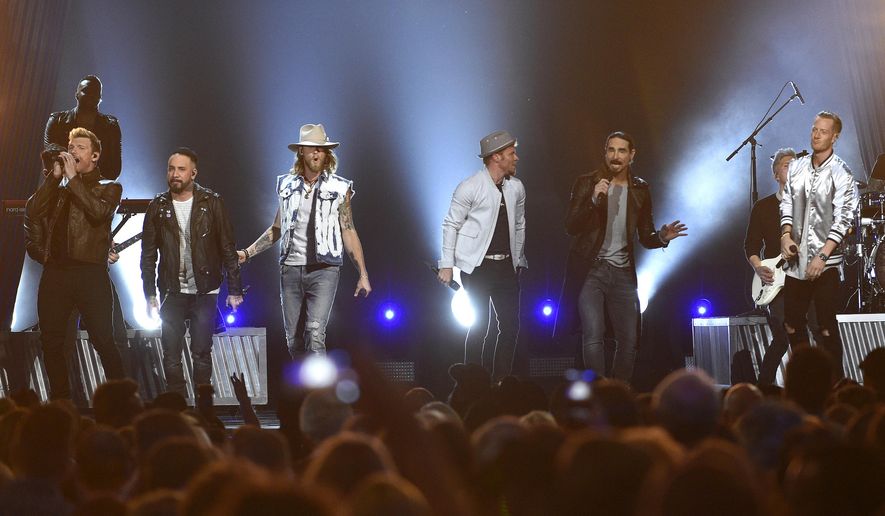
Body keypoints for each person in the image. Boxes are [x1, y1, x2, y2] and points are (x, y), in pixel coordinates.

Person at [555, 131, 686, 383]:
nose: (615, 156)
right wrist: (593, 200)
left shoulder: (640, 189)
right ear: (605, 153)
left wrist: (661, 237)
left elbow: (645, 235)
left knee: (629, 339)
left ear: (631, 155)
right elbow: (571, 226)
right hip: (591, 269)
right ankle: (600, 390)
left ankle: (620, 391)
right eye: (611, 150)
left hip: (623, 272)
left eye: (621, 151)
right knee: (593, 333)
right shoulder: (587, 182)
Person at [238, 124, 371, 358]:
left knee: (315, 332)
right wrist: (247, 253)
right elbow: (277, 228)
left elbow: (348, 230)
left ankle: (318, 393)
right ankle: (303, 392)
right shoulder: (286, 185)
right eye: (312, 149)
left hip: (324, 270)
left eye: (321, 149)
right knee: (294, 339)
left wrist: (363, 275)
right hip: (290, 269)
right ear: (301, 151)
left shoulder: (339, 187)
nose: (317, 153)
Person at [24, 128, 125, 400]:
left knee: (103, 340)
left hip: (90, 274)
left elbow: (98, 212)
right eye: (71, 146)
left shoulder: (109, 188)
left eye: (80, 147)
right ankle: (61, 401)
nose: (72, 151)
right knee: (52, 341)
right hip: (56, 273)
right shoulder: (59, 189)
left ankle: (122, 399)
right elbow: (33, 211)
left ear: (94, 155)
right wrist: (53, 180)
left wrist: (72, 181)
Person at [140, 147, 243, 396]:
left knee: (201, 351)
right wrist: (149, 293)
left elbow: (227, 247)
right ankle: (177, 406)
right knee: (171, 352)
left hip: (205, 289)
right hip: (172, 290)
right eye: (171, 168)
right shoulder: (158, 205)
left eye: (181, 169)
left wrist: (235, 289)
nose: (175, 174)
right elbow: (148, 254)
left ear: (193, 173)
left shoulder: (212, 202)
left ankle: (203, 404)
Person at [437, 130, 527, 380]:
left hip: (506, 267)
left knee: (510, 327)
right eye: (511, 154)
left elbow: (519, 224)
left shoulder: (516, 188)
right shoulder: (470, 187)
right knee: (479, 328)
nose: (516, 158)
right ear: (496, 157)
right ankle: (473, 382)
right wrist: (446, 264)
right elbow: (450, 224)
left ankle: (501, 381)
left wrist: (518, 258)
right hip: (477, 267)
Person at [780, 111, 859, 378]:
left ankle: (835, 382)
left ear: (834, 137)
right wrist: (785, 234)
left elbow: (844, 218)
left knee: (825, 327)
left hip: (826, 264)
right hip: (796, 261)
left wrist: (823, 256)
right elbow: (787, 202)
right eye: (814, 129)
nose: (816, 134)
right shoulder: (798, 166)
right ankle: (805, 378)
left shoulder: (842, 172)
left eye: (823, 131)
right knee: (791, 324)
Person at [44, 75, 122, 180]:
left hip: (96, 189)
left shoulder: (110, 126)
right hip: (62, 188)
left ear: (100, 98)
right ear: (77, 95)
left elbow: (114, 169)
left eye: (95, 92)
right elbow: (51, 160)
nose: (91, 95)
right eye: (86, 91)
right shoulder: (57, 121)